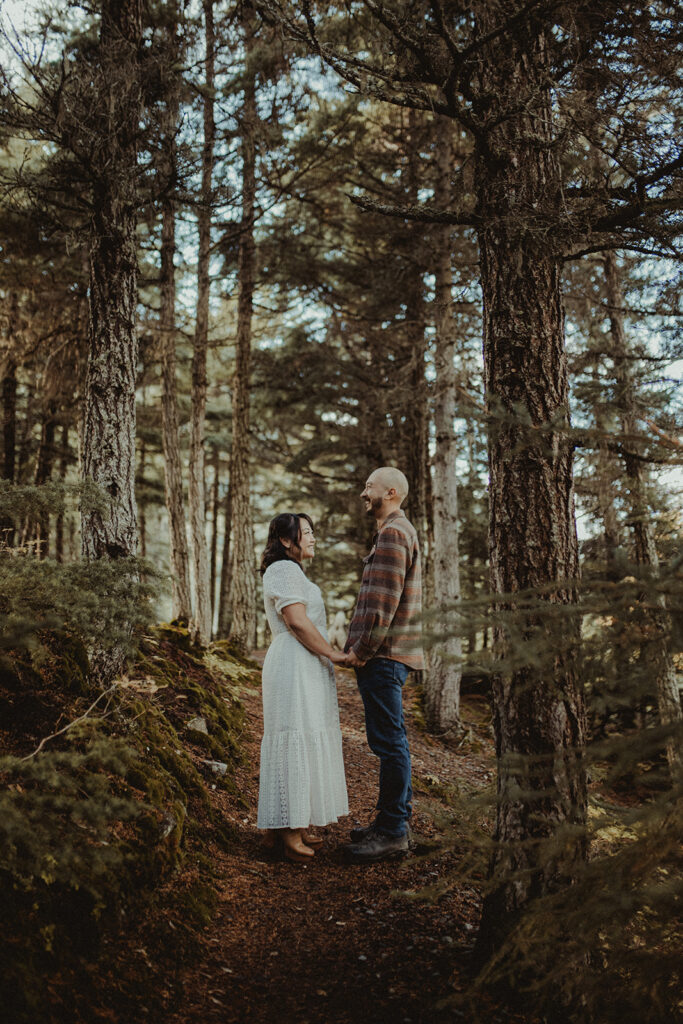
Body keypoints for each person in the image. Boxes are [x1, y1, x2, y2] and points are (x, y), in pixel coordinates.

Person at [257, 512, 349, 863]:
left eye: (312, 532)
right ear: (285, 540)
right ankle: (287, 832)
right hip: (294, 663)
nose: (312, 538)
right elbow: (296, 620)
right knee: (292, 734)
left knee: (304, 733)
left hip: (305, 663)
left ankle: (286, 825)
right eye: (305, 532)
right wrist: (333, 654)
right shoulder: (283, 569)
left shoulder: (292, 571)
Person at [344, 467, 424, 863]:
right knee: (390, 741)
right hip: (386, 655)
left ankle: (394, 830)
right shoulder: (393, 531)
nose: (363, 493)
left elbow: (383, 602)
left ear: (390, 493)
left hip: (384, 655)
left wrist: (361, 650)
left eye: (369, 487)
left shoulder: (394, 532)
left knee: (390, 743)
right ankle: (391, 822)